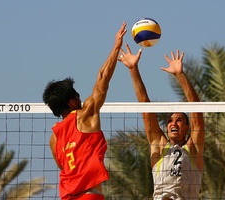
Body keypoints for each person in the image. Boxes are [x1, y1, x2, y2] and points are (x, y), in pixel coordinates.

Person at [42, 22, 127, 200]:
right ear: (72, 102)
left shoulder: (54, 138)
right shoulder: (85, 115)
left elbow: (63, 165)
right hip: (89, 196)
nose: (82, 99)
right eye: (78, 96)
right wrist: (116, 46)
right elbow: (102, 79)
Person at [118, 44, 205, 200]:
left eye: (179, 121)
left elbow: (197, 112)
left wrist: (180, 75)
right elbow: (145, 106)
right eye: (170, 120)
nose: (173, 123)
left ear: (187, 128)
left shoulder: (193, 149)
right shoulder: (158, 144)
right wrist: (133, 69)